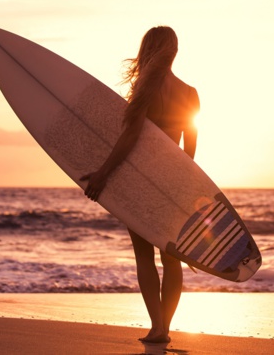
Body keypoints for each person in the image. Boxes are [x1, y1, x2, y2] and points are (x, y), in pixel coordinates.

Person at [80, 26, 200, 344]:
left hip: (139, 180)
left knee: (144, 256)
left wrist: (103, 173)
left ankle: (157, 327)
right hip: (173, 182)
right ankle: (166, 328)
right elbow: (190, 155)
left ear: (147, 50)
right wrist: (185, 193)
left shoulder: (145, 90)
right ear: (174, 50)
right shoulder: (190, 93)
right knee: (171, 257)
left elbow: (130, 138)